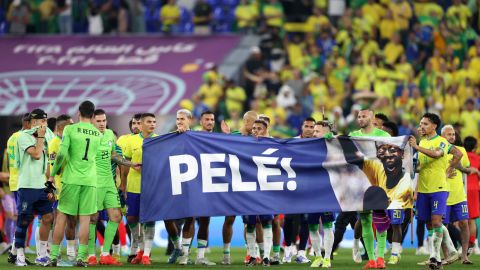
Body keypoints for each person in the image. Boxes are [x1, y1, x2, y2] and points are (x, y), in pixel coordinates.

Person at [47, 100, 103, 267]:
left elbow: (62, 154)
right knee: (85, 220)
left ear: (79, 113)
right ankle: (82, 258)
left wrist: (52, 175)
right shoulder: (97, 134)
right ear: (93, 115)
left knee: (62, 217)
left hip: (71, 179)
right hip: (90, 180)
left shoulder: (70, 129)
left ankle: (53, 257)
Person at [408, 113, 463, 270]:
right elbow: (421, 167)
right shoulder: (423, 141)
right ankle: (451, 251)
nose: (421, 127)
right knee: (429, 225)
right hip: (424, 189)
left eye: (425, 124)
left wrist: (449, 167)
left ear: (434, 126)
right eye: (420, 124)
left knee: (437, 221)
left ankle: (435, 258)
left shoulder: (441, 141)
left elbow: (447, 154)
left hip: (439, 188)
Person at [88, 109, 140, 265]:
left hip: (109, 183)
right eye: (99, 121)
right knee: (93, 219)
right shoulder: (87, 137)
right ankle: (90, 255)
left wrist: (130, 163)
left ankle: (105, 255)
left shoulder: (110, 134)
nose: (102, 124)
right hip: (93, 183)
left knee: (116, 217)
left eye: (104, 120)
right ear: (92, 121)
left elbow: (113, 155)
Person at [348, 109, 390, 270]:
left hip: (379, 182)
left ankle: (381, 258)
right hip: (360, 183)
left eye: (364, 116)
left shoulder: (384, 136)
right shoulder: (353, 135)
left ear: (372, 118)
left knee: (379, 219)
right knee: (365, 219)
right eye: (358, 116)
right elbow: (342, 149)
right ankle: (371, 260)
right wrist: (332, 137)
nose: (360, 119)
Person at [13, 109, 54, 266]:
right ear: (33, 122)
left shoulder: (48, 135)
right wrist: (42, 137)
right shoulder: (23, 136)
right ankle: (20, 255)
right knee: (24, 220)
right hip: (27, 185)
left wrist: (51, 184)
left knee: (48, 217)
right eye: (41, 121)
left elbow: (52, 158)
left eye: (45, 120)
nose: (44, 123)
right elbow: (36, 154)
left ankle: (41, 255)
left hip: (42, 185)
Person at [178, 110, 216, 266]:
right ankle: (184, 255)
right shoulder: (191, 135)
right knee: (190, 217)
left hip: (209, 182)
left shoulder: (218, 139)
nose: (210, 122)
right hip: (193, 182)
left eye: (212, 119)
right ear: (200, 122)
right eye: (207, 119)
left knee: (206, 220)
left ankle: (200, 257)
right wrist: (181, 132)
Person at [124, 113, 157, 265]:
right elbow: (125, 162)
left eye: (154, 122)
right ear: (141, 124)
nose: (152, 124)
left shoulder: (159, 140)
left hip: (151, 186)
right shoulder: (131, 140)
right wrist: (123, 184)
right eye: (149, 122)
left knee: (149, 220)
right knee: (131, 218)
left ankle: (146, 254)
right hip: (133, 185)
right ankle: (140, 249)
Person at [283, 117, 316, 264]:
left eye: (311, 127)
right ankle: (288, 249)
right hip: (292, 185)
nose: (309, 129)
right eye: (307, 126)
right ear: (302, 127)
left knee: (305, 219)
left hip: (309, 187)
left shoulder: (318, 143)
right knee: (289, 219)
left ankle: (301, 252)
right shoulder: (292, 142)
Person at [164, 109, 194, 264]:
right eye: (177, 118)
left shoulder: (198, 138)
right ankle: (177, 246)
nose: (179, 121)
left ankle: (185, 255)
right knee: (167, 216)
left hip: (192, 183)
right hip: (174, 182)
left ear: (190, 120)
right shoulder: (170, 137)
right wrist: (176, 136)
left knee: (191, 217)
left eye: (182, 118)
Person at [47, 114, 77, 265]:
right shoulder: (54, 143)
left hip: (71, 185)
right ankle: (55, 253)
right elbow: (55, 169)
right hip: (60, 187)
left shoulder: (68, 141)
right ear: (61, 127)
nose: (73, 128)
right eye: (70, 125)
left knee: (72, 220)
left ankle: (71, 253)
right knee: (59, 220)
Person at [244, 119, 274, 267]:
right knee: (250, 224)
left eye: (259, 128)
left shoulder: (273, 144)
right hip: (249, 188)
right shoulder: (245, 144)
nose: (255, 131)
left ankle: (267, 256)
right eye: (254, 128)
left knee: (267, 222)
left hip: (266, 189)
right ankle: (253, 256)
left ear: (266, 129)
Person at [441, 125, 472, 264]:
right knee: (443, 226)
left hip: (459, 195)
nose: (452, 136)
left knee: (464, 223)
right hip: (443, 194)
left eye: (453, 134)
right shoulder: (438, 151)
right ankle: (447, 256)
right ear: (442, 136)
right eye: (449, 134)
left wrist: (461, 167)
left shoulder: (462, 150)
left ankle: (464, 256)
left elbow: (468, 170)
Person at [308, 120, 336, 268]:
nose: (314, 133)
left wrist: (333, 136)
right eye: (314, 131)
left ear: (326, 132)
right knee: (312, 225)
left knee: (327, 224)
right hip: (311, 192)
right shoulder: (307, 146)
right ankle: (318, 256)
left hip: (327, 190)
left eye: (317, 131)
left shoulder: (333, 144)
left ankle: (327, 258)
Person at [464, 136, 480, 255]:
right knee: (472, 219)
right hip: (474, 190)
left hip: (462, 189)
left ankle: (463, 245)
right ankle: (472, 244)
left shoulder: (461, 156)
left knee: (461, 219)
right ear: (475, 146)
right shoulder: (478, 159)